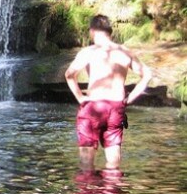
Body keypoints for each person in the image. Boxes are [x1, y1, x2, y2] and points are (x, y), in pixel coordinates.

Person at [65, 15, 152, 170]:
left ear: (92, 32)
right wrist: (130, 98)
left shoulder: (89, 52)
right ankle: (111, 192)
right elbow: (147, 75)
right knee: (113, 161)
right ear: (110, 32)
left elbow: (69, 74)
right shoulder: (125, 51)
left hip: (93, 105)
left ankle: (88, 190)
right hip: (116, 106)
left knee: (86, 163)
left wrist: (80, 97)